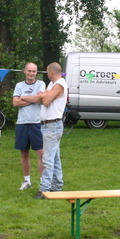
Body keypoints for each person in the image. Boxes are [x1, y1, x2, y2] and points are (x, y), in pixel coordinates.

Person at [34, 62, 68, 199]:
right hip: (49, 125)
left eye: (47, 72)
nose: (47, 75)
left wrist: (44, 96)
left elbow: (45, 101)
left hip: (52, 125)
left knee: (47, 159)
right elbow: (40, 99)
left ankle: (45, 189)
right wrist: (44, 96)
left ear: (51, 73)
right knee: (54, 158)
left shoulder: (59, 84)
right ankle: (57, 186)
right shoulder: (52, 85)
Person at [12, 63, 46, 191]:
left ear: (36, 72)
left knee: (41, 153)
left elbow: (40, 99)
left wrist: (23, 98)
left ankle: (43, 182)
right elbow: (15, 102)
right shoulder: (19, 85)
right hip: (22, 123)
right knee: (24, 154)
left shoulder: (41, 84)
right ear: (25, 71)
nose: (32, 74)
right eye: (29, 71)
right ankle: (27, 181)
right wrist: (33, 98)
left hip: (37, 123)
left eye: (34, 71)